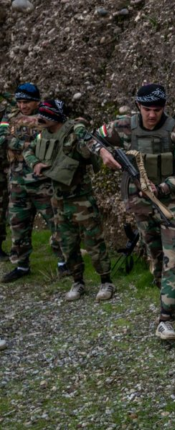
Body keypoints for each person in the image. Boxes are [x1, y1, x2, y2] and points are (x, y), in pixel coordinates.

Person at [91, 84, 175, 340]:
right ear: (138, 106)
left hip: (171, 205)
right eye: (147, 109)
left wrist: (162, 187)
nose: (152, 114)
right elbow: (89, 135)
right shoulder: (124, 126)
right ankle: (171, 300)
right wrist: (102, 152)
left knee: (173, 258)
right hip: (140, 204)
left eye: (157, 109)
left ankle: (165, 319)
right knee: (156, 256)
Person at [25, 99, 113, 302]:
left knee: (94, 242)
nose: (40, 119)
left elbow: (90, 142)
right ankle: (78, 282)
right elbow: (28, 150)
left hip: (81, 199)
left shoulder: (75, 130)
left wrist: (102, 152)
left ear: (54, 117)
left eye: (45, 116)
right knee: (67, 243)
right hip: (58, 200)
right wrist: (35, 163)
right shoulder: (43, 134)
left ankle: (106, 281)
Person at [0, 83, 65, 283]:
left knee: (56, 222)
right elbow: (2, 138)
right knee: (18, 224)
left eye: (27, 102)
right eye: (19, 102)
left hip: (42, 181)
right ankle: (21, 264)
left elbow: (53, 140)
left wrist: (19, 143)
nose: (23, 106)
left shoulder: (48, 116)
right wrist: (27, 144)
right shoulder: (10, 117)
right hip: (17, 181)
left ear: (36, 101)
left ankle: (64, 262)